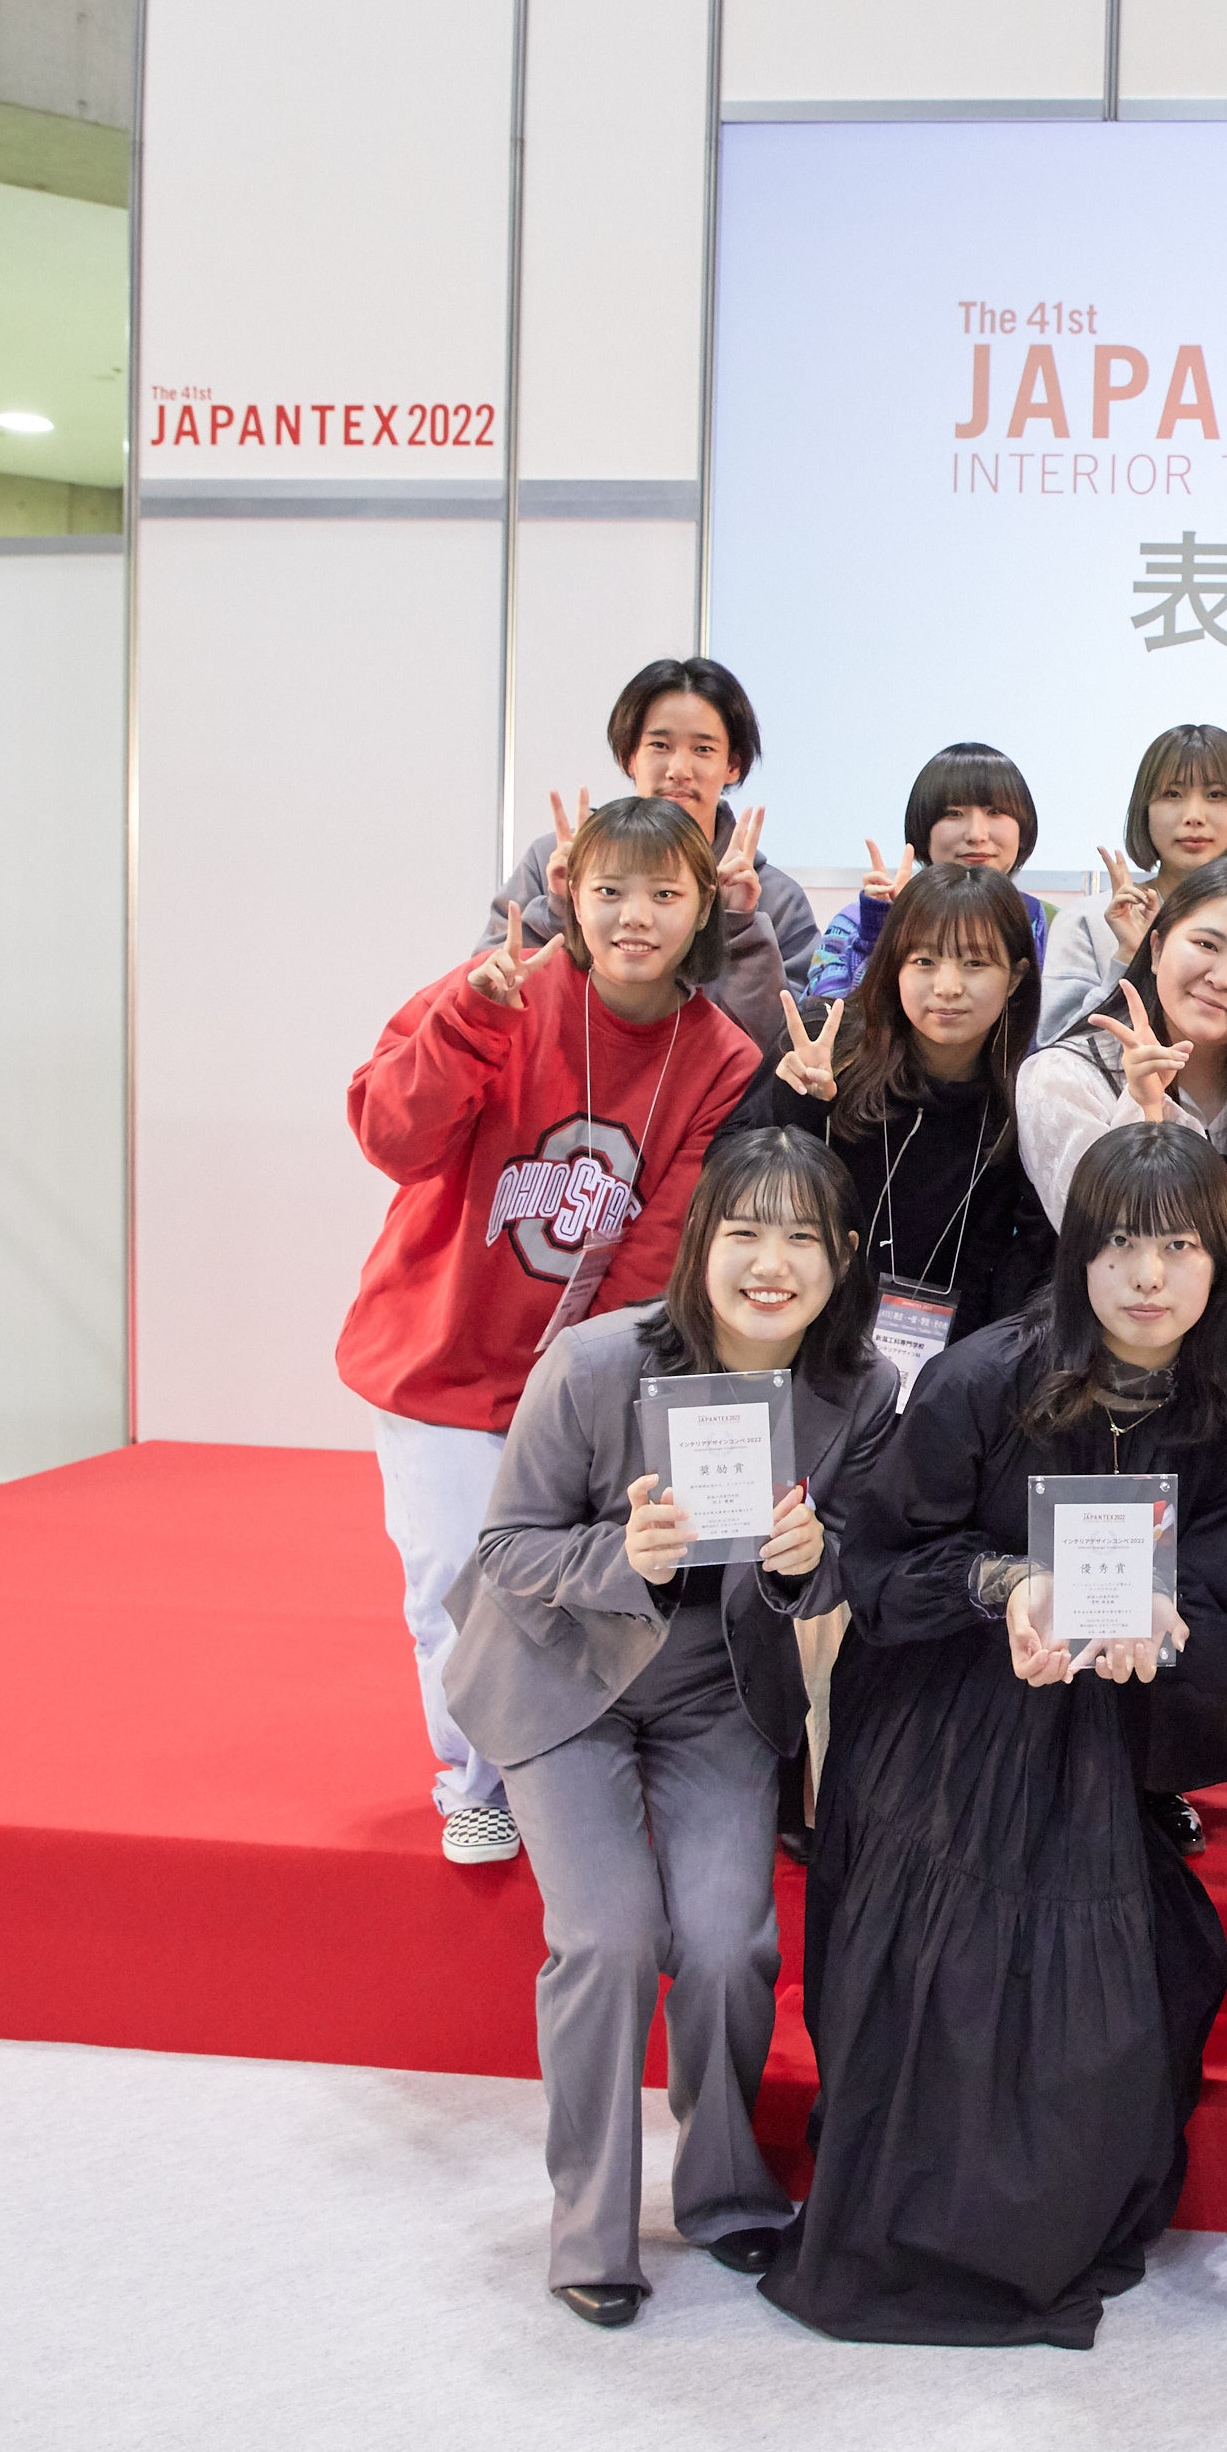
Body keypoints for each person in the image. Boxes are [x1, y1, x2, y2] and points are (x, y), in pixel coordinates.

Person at [765, 1124, 1227, 2349]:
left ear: (1220, 1262)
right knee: (946, 1949)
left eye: (1179, 1248)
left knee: (1126, 1979)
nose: (1147, 1276)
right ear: (1075, 1253)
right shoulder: (985, 1377)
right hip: (944, 1700)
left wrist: (1161, 1628)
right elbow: (876, 1568)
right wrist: (1007, 1587)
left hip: (1100, 1725)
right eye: (1119, 1246)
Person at [445, 1130, 902, 2327]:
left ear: (843, 1257)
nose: (771, 1264)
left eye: (802, 1238)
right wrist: (622, 1555)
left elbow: (856, 1558)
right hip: (565, 1676)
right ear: (701, 1244)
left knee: (729, 1939)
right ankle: (590, 2226)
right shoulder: (596, 1362)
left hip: (717, 1690)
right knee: (605, 1935)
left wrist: (807, 1563)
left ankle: (725, 2185)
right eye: (745, 1232)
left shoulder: (859, 1389)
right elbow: (504, 1548)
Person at [341, 796, 765, 1864]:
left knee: (566, 1581)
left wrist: (579, 1384)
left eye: (664, 893)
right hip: (439, 1354)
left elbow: (662, 1241)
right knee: (452, 1578)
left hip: (573, 1380)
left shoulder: (718, 1053)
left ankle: (556, 1764)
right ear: (570, 892)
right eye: (609, 890)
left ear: (703, 906)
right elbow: (391, 1138)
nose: (635, 916)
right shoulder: (497, 988)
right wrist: (466, 1024)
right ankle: (475, 1782)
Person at [737, 863, 1053, 1374]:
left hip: (945, 1358)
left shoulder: (1027, 1096)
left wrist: (970, 1369)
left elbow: (1019, 1262)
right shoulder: (827, 1044)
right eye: (924, 960)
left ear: (1016, 977)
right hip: (795, 1328)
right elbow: (731, 1182)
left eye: (975, 963)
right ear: (893, 966)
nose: (947, 987)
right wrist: (799, 1105)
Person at [1020, 855, 1227, 1384]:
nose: (1224, 979)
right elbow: (1104, 1241)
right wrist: (1147, 1111)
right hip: (1079, 1377)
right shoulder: (1063, 1077)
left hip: (1220, 1392)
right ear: (1156, 949)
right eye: (1206, 945)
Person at [480, 656, 809, 1052]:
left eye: (703, 749)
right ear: (629, 756)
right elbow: (490, 995)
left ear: (733, 765)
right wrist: (561, 908)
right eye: (659, 745)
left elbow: (785, 1046)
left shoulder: (773, 897)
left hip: (710, 1090)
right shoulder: (554, 860)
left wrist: (740, 927)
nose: (679, 769)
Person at [1038, 722, 1227, 1048]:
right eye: (1172, 794)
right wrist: (1129, 957)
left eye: (1216, 795)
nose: (1194, 816)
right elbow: (1055, 1049)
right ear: (1143, 809)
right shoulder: (1088, 920)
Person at [804, 741, 1054, 998]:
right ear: (923, 829)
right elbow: (824, 1014)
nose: (976, 834)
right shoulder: (856, 921)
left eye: (995, 812)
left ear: (1023, 826)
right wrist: (883, 932)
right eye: (954, 813)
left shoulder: (1052, 924)